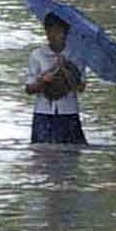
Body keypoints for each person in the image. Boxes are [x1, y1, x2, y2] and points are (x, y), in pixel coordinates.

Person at [25, 13, 89, 145]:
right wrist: (43, 80)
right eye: (50, 31)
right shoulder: (37, 55)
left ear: (66, 33)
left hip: (69, 112)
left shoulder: (76, 55)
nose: (53, 36)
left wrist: (67, 70)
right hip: (43, 113)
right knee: (41, 154)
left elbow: (81, 88)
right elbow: (29, 89)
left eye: (58, 32)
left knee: (71, 155)